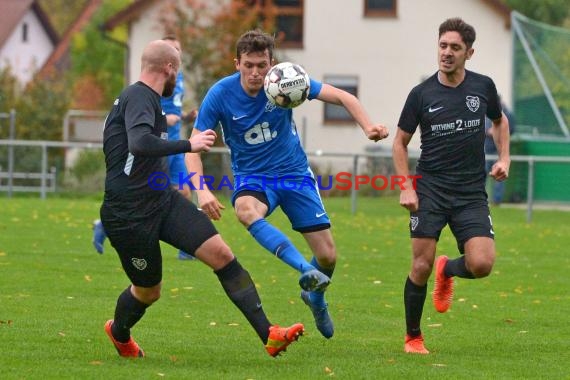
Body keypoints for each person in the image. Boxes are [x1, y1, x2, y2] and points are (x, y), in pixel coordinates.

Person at [100, 39, 304, 358]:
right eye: (177, 72)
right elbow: (139, 143)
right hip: (128, 214)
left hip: (161, 201)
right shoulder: (139, 95)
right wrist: (189, 144)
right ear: (168, 68)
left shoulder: (147, 99)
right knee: (148, 291)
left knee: (222, 254)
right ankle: (119, 331)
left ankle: (270, 334)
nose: (176, 79)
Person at [185, 29, 389, 339]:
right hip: (254, 178)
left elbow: (343, 96)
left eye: (262, 65)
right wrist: (201, 190)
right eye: (249, 65)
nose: (255, 73)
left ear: (272, 63)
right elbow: (194, 146)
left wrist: (368, 126)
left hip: (295, 175)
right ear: (237, 63)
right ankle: (303, 270)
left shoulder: (287, 81)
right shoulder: (220, 94)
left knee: (328, 256)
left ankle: (315, 296)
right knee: (245, 210)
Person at [392, 18, 510, 354]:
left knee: (482, 264)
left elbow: (500, 123)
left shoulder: (483, 87)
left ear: (469, 53)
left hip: (471, 192)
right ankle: (413, 337)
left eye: (455, 48)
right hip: (430, 189)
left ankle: (448, 268)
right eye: (443, 46)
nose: (446, 53)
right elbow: (400, 143)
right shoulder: (421, 94)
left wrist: (504, 159)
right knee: (420, 265)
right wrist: (406, 186)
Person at [92, 36, 198, 261]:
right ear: (165, 62)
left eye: (178, 50)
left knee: (184, 190)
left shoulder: (177, 82)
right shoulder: (149, 89)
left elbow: (173, 113)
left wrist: (186, 117)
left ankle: (186, 246)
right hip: (160, 144)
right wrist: (166, 120)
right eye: (172, 50)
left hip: (174, 142)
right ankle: (107, 225)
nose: (176, 55)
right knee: (151, 193)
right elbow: (146, 124)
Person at [485, 99, 515, 205]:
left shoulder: (507, 114)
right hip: (486, 150)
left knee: (499, 176)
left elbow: (510, 129)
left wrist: (504, 157)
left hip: (498, 151)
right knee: (482, 175)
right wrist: (488, 131)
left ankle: (497, 201)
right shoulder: (485, 112)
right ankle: (479, 200)